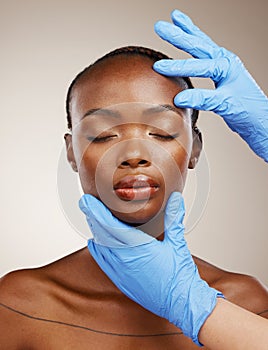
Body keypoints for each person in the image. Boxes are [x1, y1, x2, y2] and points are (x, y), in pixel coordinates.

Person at [0, 10, 267, 350]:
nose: (133, 154)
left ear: (195, 149)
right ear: (71, 153)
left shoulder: (248, 304)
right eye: (102, 135)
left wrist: (196, 305)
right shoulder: (17, 304)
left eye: (162, 132)